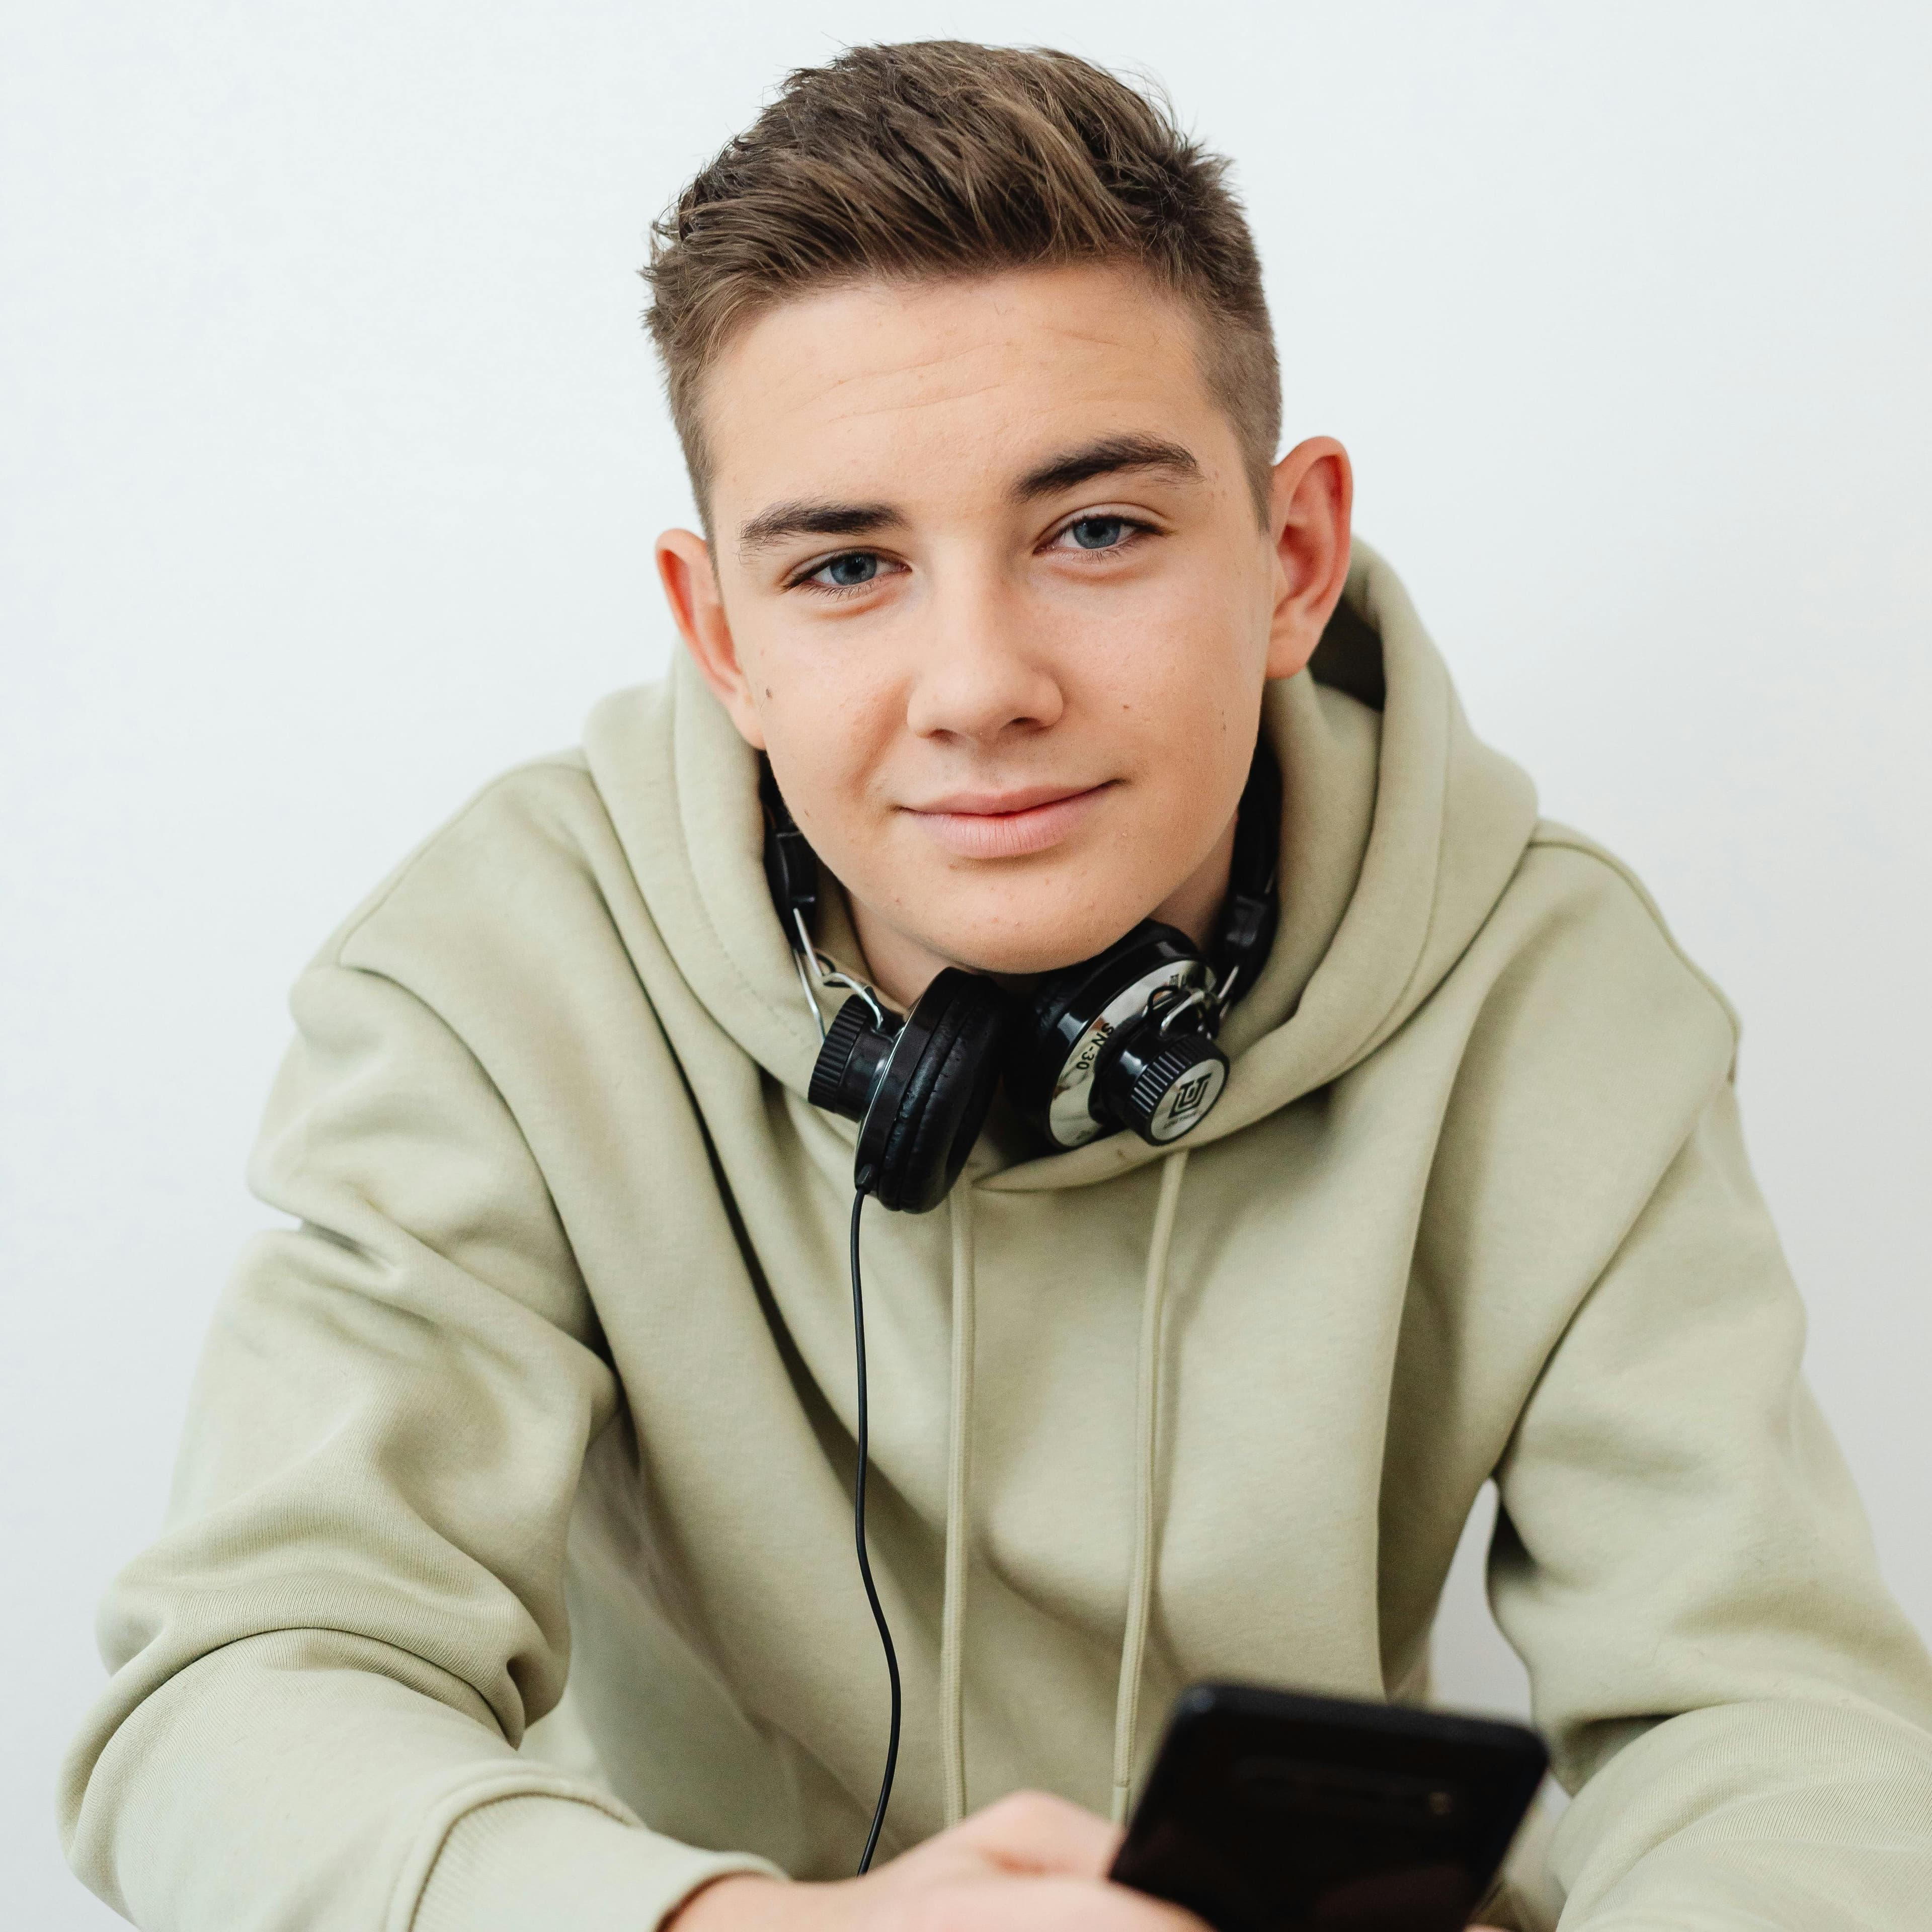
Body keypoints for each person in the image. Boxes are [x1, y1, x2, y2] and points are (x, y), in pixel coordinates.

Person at [59, 39, 1932, 1932]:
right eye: (849, 567)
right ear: (721, 633)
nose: (978, 684)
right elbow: (231, 1706)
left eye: (1096, 530)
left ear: (1291, 559)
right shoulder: (499, 977)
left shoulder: (1557, 993)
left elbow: (1768, 1728)